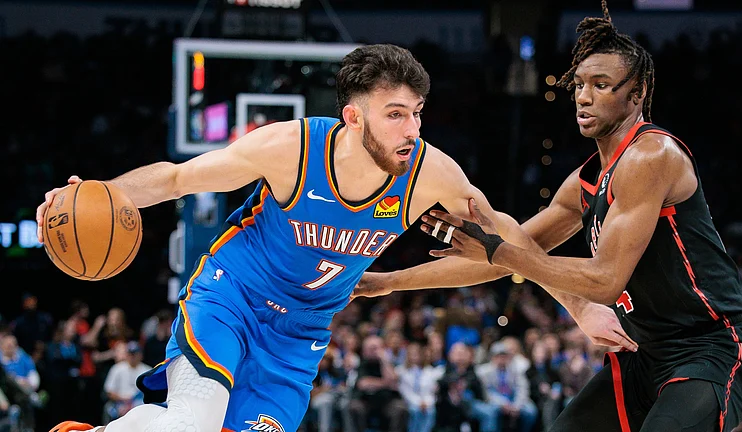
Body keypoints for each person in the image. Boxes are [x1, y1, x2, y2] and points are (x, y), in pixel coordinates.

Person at [37, 43, 628, 432]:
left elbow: (508, 243)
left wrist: (577, 305)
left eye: (417, 112)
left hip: (300, 334)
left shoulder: (432, 175)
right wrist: (94, 196)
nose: (412, 128)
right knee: (195, 416)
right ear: (352, 117)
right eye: (395, 114)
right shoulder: (291, 148)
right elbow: (176, 178)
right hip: (232, 296)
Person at [361, 2, 742, 430]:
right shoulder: (585, 180)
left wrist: (501, 253)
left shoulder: (652, 155)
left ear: (638, 92)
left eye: (602, 84)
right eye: (579, 84)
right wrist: (386, 283)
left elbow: (604, 278)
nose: (584, 95)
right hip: (644, 354)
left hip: (716, 348)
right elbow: (508, 254)